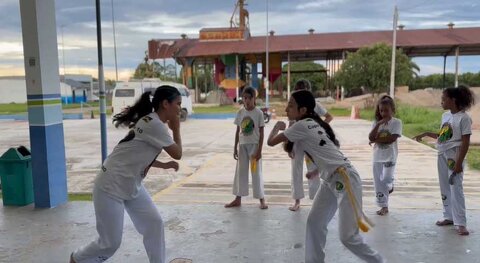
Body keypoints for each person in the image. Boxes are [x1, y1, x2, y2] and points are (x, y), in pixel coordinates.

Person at [268, 90, 384, 263]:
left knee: (348, 237)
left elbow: (271, 142)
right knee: (314, 223)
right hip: (330, 179)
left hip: (344, 178)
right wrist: (316, 171)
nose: (286, 109)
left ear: (303, 110)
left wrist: (277, 126)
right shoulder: (312, 123)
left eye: (290, 105)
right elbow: (325, 152)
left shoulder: (301, 125)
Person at [70, 86, 183, 263]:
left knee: (154, 223)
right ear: (165, 104)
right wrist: (176, 129)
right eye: (178, 104)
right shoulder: (155, 125)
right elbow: (178, 153)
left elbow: (136, 152)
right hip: (111, 185)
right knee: (110, 243)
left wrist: (163, 165)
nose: (180, 109)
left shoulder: (151, 122)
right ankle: (77, 259)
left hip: (130, 183)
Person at [413, 85, 475, 236]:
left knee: (456, 188)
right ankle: (448, 216)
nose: (441, 102)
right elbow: (443, 135)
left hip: (454, 156)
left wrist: (459, 163)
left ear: (453, 100)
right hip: (442, 154)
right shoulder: (445, 116)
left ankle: (461, 223)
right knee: (444, 186)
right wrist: (426, 134)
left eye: (443, 99)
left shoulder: (464, 118)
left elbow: (465, 142)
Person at [288, 79, 333, 211]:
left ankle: (315, 200)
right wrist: (289, 146)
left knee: (313, 169)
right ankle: (297, 201)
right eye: (298, 91)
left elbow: (329, 117)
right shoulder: (293, 106)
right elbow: (290, 126)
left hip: (312, 142)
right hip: (297, 141)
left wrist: (319, 129)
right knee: (296, 169)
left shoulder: (315, 105)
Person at [225, 87, 268, 209]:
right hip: (242, 146)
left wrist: (259, 150)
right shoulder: (240, 112)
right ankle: (238, 199)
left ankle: (262, 200)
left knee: (256, 173)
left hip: (254, 147)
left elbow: (261, 132)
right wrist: (235, 147)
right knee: (240, 173)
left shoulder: (258, 113)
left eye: (250, 98)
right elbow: (238, 130)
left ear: (254, 98)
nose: (247, 100)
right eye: (245, 98)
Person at [368, 95, 402, 216]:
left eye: (386, 110)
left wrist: (376, 140)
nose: (383, 113)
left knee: (386, 179)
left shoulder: (397, 123)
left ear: (392, 110)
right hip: (377, 157)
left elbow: (391, 138)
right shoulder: (376, 123)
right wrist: (378, 125)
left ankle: (390, 184)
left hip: (390, 156)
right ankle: (384, 206)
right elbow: (370, 137)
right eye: (381, 110)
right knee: (379, 183)